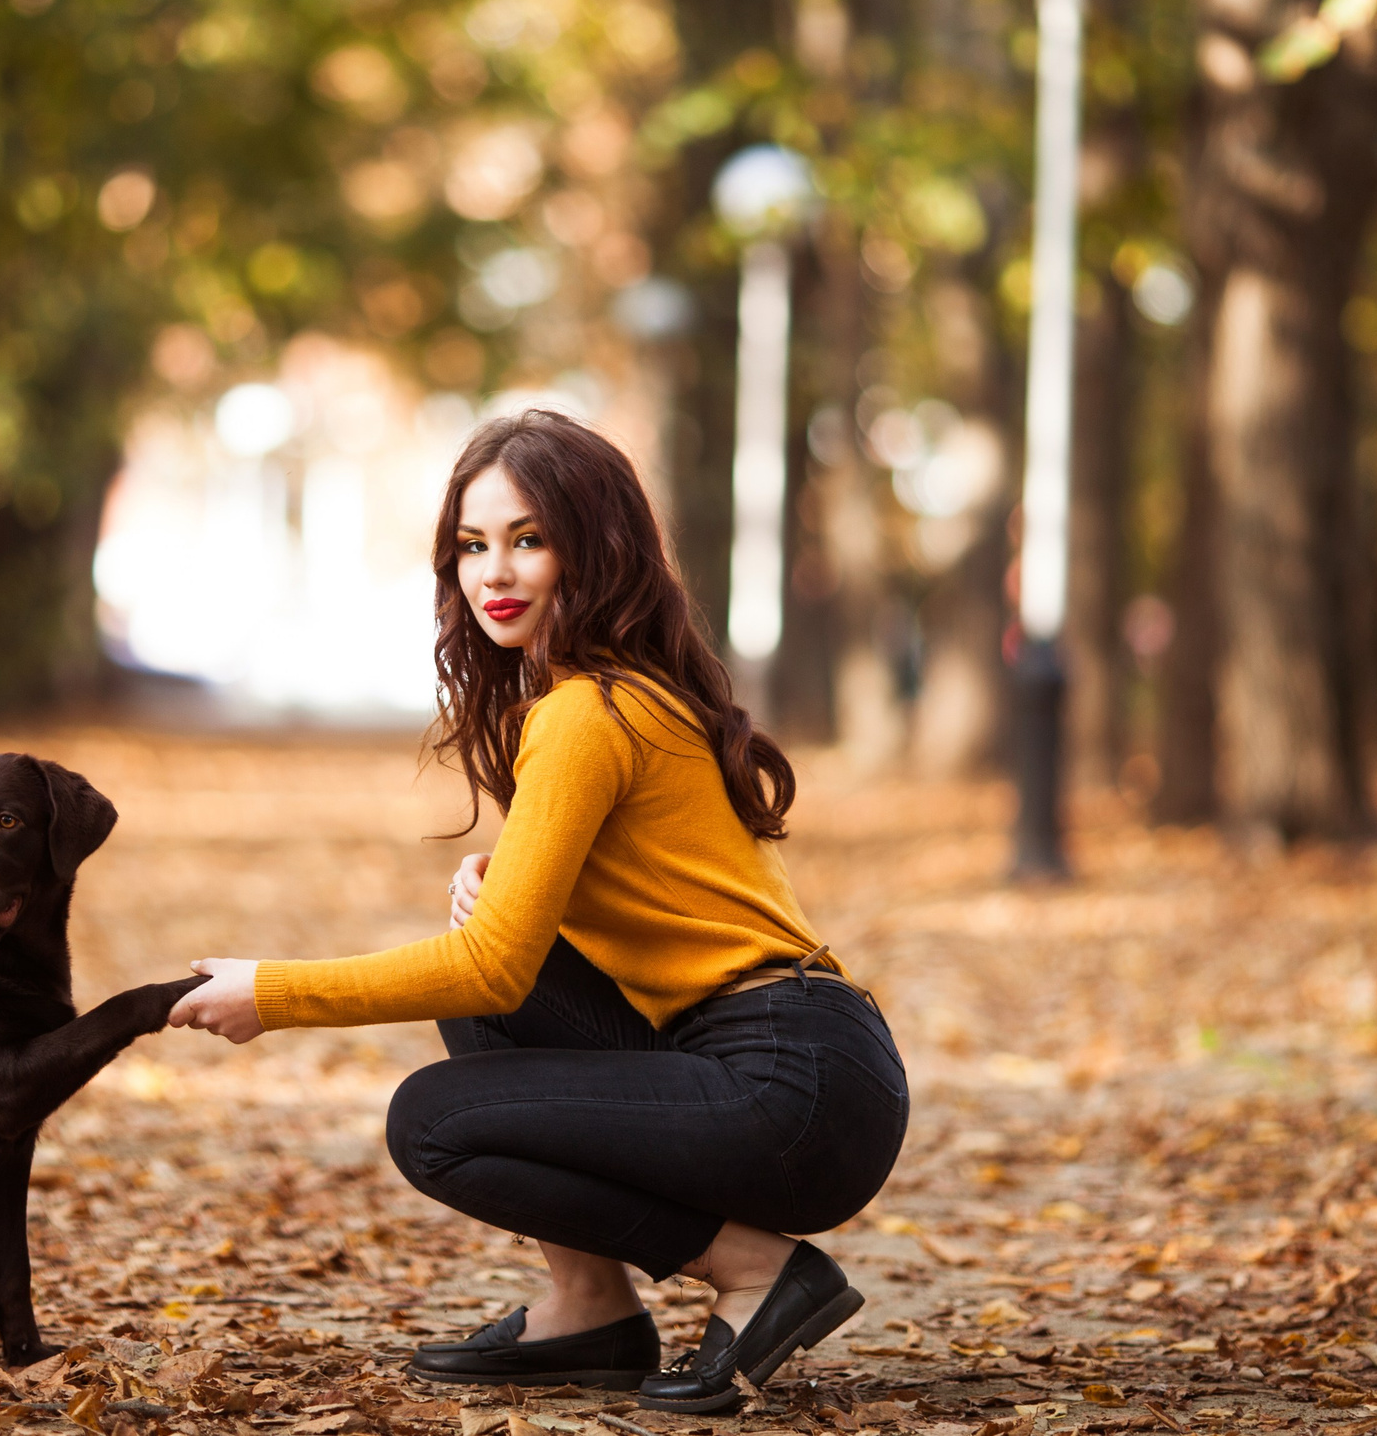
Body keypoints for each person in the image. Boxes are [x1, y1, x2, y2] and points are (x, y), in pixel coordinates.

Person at [169, 410, 908, 1412]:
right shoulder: (614, 696)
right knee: (486, 1011)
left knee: (433, 1123)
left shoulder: (583, 714)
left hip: (792, 1084)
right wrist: (518, 886)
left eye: (528, 539)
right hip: (808, 1065)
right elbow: (553, 953)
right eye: (472, 546)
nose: (494, 573)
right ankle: (588, 1305)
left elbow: (489, 965)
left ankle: (756, 1269)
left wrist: (272, 991)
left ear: (594, 549)